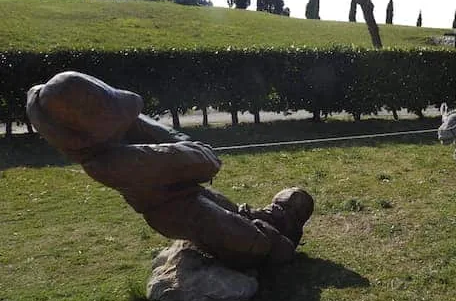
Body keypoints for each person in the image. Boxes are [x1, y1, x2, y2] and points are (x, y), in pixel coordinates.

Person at [26, 71, 313, 269]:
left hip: (191, 195)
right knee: (260, 245)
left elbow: (191, 155)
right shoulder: (109, 163)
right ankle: (270, 231)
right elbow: (204, 162)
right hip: (175, 212)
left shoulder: (117, 136)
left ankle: (270, 219)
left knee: (242, 217)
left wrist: (136, 124)